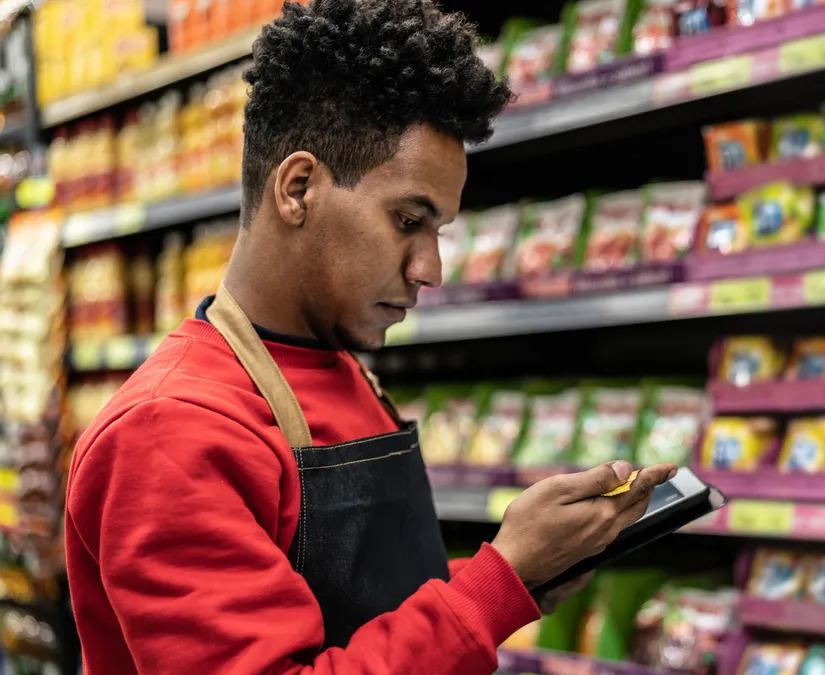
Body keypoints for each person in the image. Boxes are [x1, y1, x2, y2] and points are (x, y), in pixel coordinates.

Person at [63, 1, 676, 672]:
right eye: (408, 220)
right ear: (298, 188)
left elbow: (365, 611)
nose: (430, 269)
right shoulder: (172, 430)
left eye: (437, 231)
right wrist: (494, 585)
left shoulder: (340, 368)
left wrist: (528, 571)